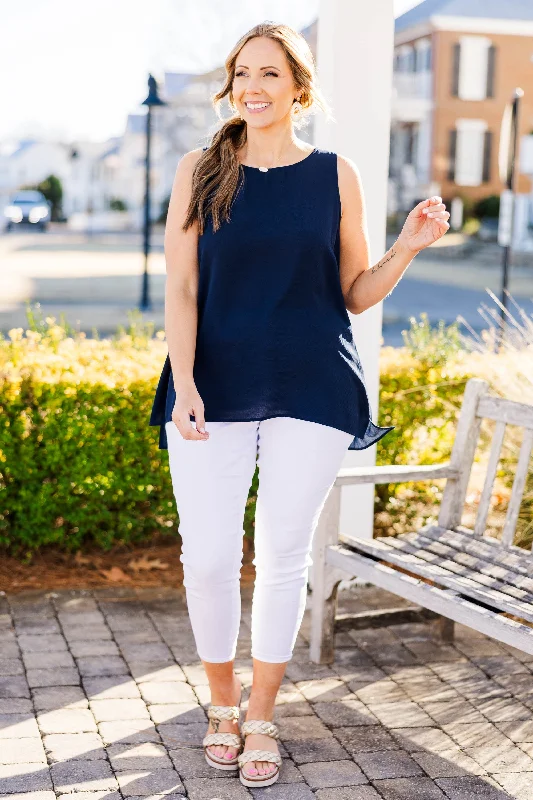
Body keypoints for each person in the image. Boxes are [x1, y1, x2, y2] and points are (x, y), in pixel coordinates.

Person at [149, 21, 449, 789]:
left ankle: (260, 717)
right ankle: (220, 703)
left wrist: (407, 247)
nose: (253, 86)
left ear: (298, 89)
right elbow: (181, 288)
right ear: (231, 84)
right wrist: (184, 380)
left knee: (283, 557)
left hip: (310, 384)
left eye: (270, 75)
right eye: (243, 73)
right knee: (210, 557)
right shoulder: (199, 169)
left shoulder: (334, 174)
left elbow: (353, 293)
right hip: (209, 385)